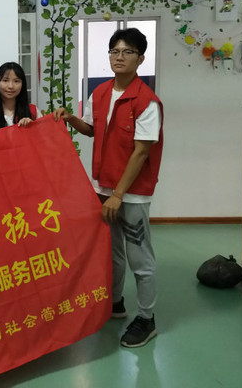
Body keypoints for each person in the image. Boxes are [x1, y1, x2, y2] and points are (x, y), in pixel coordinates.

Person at [54, 27, 163, 348]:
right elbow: (91, 129)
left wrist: (118, 195)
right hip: (103, 187)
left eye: (127, 52)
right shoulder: (100, 93)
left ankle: (147, 318)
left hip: (131, 193)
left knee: (139, 256)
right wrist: (70, 119)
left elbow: (141, 152)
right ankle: (115, 303)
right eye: (115, 51)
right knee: (111, 251)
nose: (119, 57)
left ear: (140, 59)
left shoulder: (147, 101)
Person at [0, 61, 38, 133]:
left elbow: (45, 137)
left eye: (16, 81)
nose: (10, 86)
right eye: (5, 80)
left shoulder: (33, 111)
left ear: (22, 84)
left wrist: (34, 127)